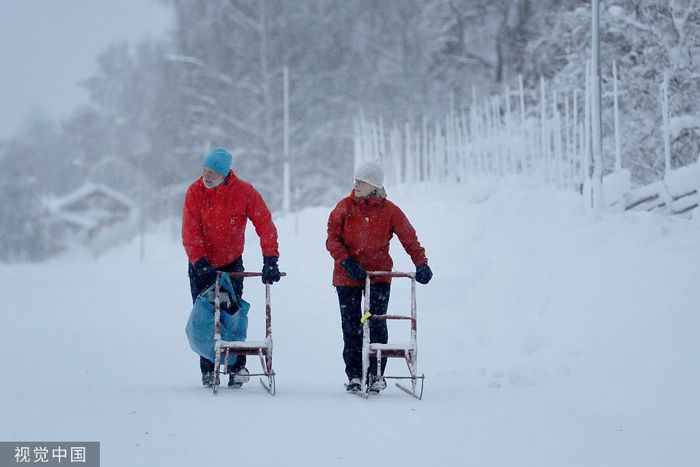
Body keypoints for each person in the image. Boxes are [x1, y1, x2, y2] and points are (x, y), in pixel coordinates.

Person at [326, 160, 433, 393]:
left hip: (378, 276)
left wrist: (421, 263)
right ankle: (355, 374)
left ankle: (376, 374)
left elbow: (409, 238)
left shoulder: (390, 210)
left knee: (376, 323)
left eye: (361, 181)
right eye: (355, 180)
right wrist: (346, 261)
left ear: (374, 186)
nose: (355, 184)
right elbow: (332, 239)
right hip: (347, 277)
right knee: (352, 326)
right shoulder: (344, 207)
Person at [182, 148, 281, 387]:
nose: (206, 176)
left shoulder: (244, 192)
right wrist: (200, 261)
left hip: (231, 264)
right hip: (201, 265)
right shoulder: (195, 192)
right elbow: (190, 230)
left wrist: (270, 259)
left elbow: (264, 223)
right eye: (204, 170)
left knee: (232, 315)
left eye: (212, 172)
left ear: (225, 174)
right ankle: (209, 368)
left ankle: (237, 367)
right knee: (205, 317)